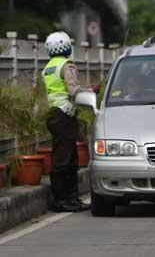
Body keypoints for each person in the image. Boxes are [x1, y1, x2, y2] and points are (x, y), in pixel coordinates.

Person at [41, 31, 90, 212]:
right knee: (66, 159)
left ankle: (65, 199)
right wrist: (90, 93)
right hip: (64, 115)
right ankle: (65, 201)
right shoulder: (67, 65)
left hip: (54, 114)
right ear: (66, 46)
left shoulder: (48, 68)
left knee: (62, 156)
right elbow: (72, 90)